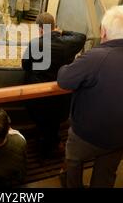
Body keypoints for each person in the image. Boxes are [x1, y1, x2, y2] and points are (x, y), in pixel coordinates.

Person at [57, 6, 123, 188]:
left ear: (104, 31)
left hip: (89, 132)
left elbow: (64, 79)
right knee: (106, 174)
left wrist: (71, 63)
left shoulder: (96, 56)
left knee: (73, 162)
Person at [22, 12, 86, 158]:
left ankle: (46, 145)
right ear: (54, 26)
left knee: (43, 122)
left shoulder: (35, 44)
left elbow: (25, 65)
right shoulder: (68, 43)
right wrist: (62, 32)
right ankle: (53, 141)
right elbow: (81, 36)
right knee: (53, 122)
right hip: (61, 94)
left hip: (38, 96)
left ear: (39, 29)